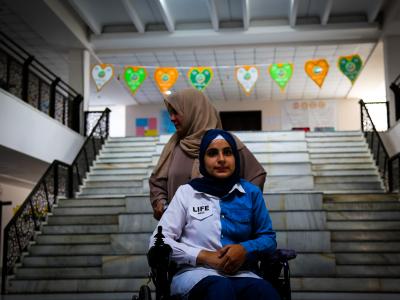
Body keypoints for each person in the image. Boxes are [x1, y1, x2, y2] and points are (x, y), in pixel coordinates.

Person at [149, 129, 279, 300]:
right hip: (195, 274)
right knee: (219, 288)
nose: (221, 159)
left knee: (266, 293)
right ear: (202, 159)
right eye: (212, 153)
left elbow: (268, 238)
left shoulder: (251, 193)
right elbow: (158, 241)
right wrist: (204, 256)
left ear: (236, 158)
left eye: (228, 152)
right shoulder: (187, 193)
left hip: (243, 274)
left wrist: (244, 249)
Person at [149, 88, 266, 220]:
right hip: (179, 232)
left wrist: (240, 209)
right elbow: (157, 183)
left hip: (223, 233)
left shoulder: (226, 142)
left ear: (194, 111)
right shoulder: (174, 145)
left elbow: (256, 175)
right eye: (170, 113)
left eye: (176, 112)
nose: (172, 118)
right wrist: (161, 203)